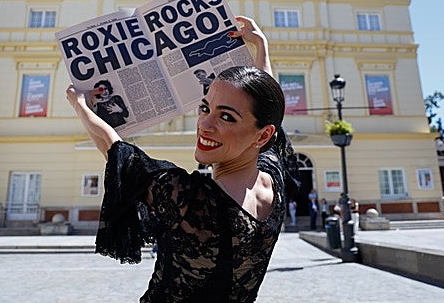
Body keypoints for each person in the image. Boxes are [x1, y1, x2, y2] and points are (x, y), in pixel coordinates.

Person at [66, 16, 300, 302]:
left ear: (262, 137)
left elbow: (115, 150)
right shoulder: (271, 178)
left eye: (226, 116)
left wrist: (79, 105)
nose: (205, 125)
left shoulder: (191, 200)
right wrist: (261, 49)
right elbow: (268, 109)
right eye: (205, 108)